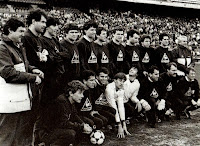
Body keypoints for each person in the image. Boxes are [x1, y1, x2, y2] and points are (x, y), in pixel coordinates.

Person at [0, 18, 43, 145]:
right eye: (20, 31)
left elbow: (23, 65)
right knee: (6, 138)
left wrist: (33, 69)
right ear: (9, 30)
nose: (23, 34)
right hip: (9, 103)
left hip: (21, 101)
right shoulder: (2, 48)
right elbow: (8, 73)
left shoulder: (18, 46)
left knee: (20, 137)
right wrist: (33, 77)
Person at [34, 80, 92, 146]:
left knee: (77, 129)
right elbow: (63, 123)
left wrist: (83, 124)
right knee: (71, 133)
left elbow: (74, 115)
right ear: (71, 93)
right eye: (80, 93)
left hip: (55, 129)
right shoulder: (61, 102)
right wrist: (81, 126)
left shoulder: (70, 101)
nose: (82, 96)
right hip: (46, 132)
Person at [40, 17, 65, 106]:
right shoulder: (42, 40)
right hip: (50, 78)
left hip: (59, 77)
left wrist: (57, 56)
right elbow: (50, 59)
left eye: (57, 25)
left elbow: (66, 54)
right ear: (46, 27)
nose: (57, 28)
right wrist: (58, 56)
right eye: (54, 25)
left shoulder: (55, 40)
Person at [105, 73, 131, 138]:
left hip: (111, 104)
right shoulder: (109, 89)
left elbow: (120, 106)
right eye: (120, 80)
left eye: (123, 81)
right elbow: (113, 105)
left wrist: (124, 125)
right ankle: (110, 125)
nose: (122, 83)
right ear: (114, 80)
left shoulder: (121, 88)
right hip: (103, 105)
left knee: (126, 107)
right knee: (113, 110)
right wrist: (119, 125)